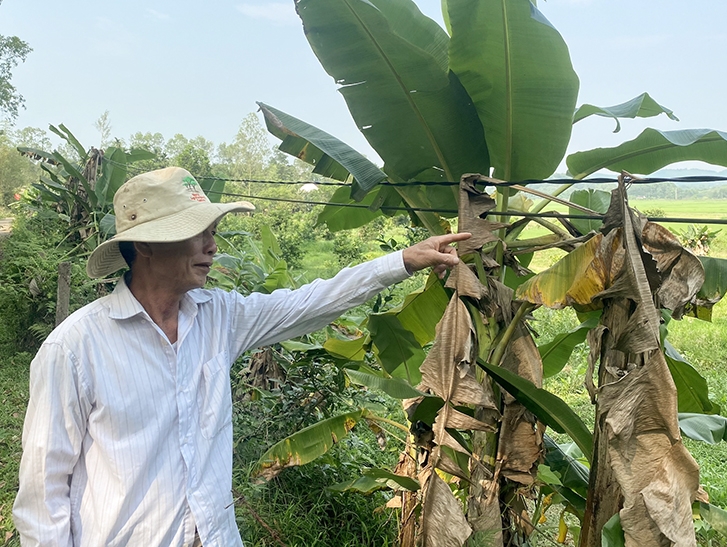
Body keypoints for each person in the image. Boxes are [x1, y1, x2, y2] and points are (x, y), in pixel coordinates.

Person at [13, 167, 469, 546]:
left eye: (213, 232)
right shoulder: (74, 349)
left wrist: (401, 262)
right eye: (199, 234)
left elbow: (309, 304)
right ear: (147, 244)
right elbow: (42, 496)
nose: (213, 246)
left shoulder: (219, 319)